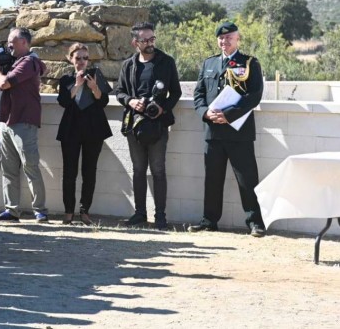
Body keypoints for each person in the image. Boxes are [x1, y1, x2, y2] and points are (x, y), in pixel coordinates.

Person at [189, 22, 266, 237]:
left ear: (238, 38)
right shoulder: (209, 64)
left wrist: (229, 114)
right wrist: (205, 113)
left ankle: (255, 222)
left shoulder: (249, 62)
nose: (225, 41)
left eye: (229, 37)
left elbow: (255, 94)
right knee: (212, 179)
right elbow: (198, 95)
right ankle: (209, 220)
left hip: (238, 132)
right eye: (221, 38)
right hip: (213, 131)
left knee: (247, 179)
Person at [114, 22, 182, 230]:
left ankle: (160, 216)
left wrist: (163, 108)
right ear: (135, 42)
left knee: (159, 170)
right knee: (138, 170)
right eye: (146, 40)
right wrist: (131, 101)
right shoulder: (129, 65)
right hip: (134, 125)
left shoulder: (166, 62)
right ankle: (139, 214)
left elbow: (176, 93)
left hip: (158, 125)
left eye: (153, 39)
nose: (151, 43)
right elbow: (119, 92)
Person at [0, 27, 48, 223]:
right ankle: (12, 210)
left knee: (30, 166)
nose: (8, 45)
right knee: (8, 168)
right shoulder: (17, 62)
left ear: (24, 42)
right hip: (7, 122)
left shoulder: (29, 62)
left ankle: (40, 210)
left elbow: (4, 83)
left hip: (24, 121)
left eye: (11, 41)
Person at [56, 43, 112, 225]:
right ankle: (68, 212)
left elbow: (103, 101)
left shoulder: (96, 75)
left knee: (90, 171)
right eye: (78, 58)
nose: (82, 62)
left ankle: (85, 210)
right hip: (71, 130)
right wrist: (77, 85)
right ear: (70, 59)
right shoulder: (65, 79)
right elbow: (64, 102)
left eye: (85, 58)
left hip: (93, 130)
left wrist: (94, 87)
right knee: (69, 172)